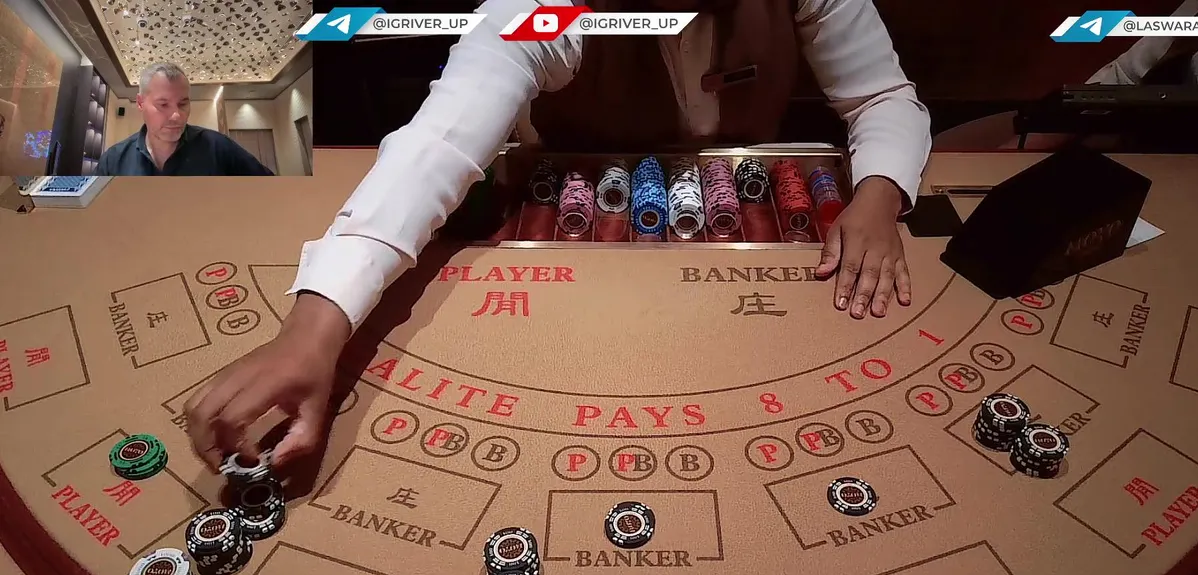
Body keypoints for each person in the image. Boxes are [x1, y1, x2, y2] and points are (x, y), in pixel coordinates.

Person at [182, 0, 932, 472]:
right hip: (573, 226)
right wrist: (314, 329)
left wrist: (877, 194)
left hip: (742, 212)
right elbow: (436, 146)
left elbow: (883, 97)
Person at [97, 62, 274, 176]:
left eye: (183, 104)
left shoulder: (218, 148)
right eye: (163, 105)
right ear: (140, 103)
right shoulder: (113, 161)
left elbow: (269, 188)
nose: (176, 115)